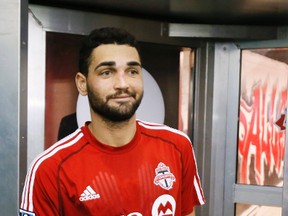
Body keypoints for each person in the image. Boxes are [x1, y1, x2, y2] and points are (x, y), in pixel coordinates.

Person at [19, 27, 205, 216]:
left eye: (132, 71)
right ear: (82, 84)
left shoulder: (177, 146)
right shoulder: (50, 169)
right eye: (107, 72)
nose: (123, 84)